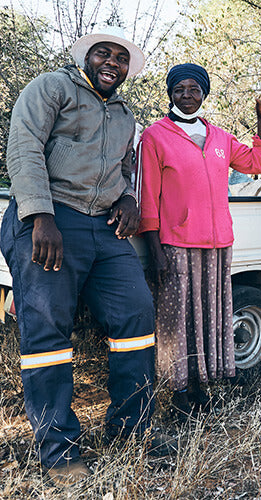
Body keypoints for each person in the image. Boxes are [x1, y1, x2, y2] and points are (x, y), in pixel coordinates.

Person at [0, 26, 170, 487]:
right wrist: (40, 216)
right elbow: (24, 147)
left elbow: (123, 166)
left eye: (120, 57)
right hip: (49, 222)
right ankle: (60, 450)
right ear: (86, 57)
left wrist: (128, 199)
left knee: (136, 315)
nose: (112, 62)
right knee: (48, 332)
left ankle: (131, 432)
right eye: (103, 53)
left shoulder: (124, 113)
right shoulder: (51, 87)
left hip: (102, 226)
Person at [137, 63, 261, 417]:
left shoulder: (218, 137)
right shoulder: (156, 136)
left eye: (194, 89)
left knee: (210, 317)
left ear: (204, 93)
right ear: (170, 93)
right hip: (177, 244)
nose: (187, 96)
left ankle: (202, 385)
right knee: (178, 321)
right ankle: (179, 391)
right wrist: (155, 250)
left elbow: (257, 164)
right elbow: (148, 197)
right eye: (179, 89)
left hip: (217, 244)